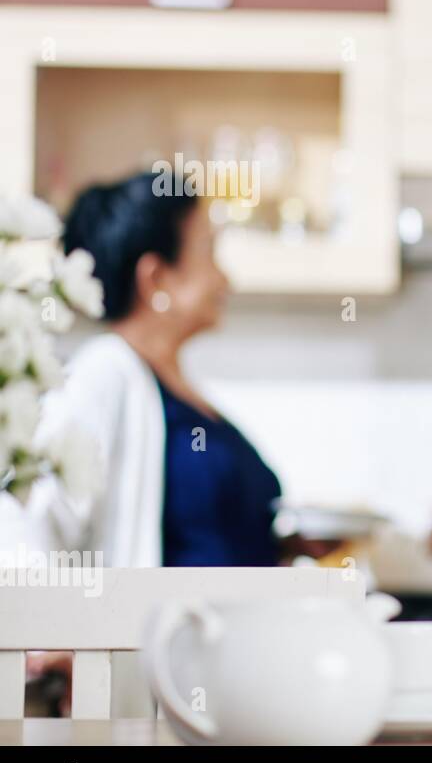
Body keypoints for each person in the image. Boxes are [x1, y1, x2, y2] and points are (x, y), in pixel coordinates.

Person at [25, 171, 293, 568]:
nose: (225, 278)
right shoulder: (104, 374)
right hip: (168, 630)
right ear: (156, 277)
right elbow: (35, 522)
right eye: (209, 253)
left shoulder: (173, 388)